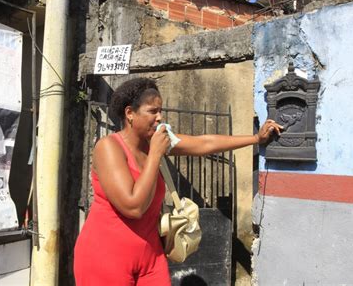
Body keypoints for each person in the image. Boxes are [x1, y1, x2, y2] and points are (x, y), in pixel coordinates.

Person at [73, 78, 282, 285]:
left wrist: (255, 139)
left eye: (161, 110)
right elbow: (133, 207)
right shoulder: (109, 147)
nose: (160, 117)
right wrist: (155, 155)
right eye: (152, 111)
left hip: (150, 255)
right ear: (130, 114)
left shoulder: (155, 143)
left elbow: (203, 143)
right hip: (106, 255)